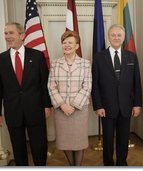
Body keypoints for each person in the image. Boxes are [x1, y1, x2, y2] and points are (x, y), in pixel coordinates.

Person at [0, 22, 52, 166]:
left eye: (11, 33)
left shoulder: (37, 56)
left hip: (36, 110)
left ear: (22, 35)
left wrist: (47, 105)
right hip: (13, 111)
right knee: (18, 150)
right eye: (6, 33)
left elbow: (44, 84)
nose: (7, 36)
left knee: (39, 147)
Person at [91, 24, 142, 166]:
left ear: (124, 37)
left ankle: (121, 163)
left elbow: (136, 82)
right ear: (108, 37)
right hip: (106, 107)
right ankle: (108, 164)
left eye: (119, 35)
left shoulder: (131, 56)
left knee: (123, 138)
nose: (116, 38)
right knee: (107, 140)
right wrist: (98, 105)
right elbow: (95, 84)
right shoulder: (99, 57)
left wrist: (137, 104)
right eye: (113, 35)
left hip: (126, 106)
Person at [47, 31, 92, 166]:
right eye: (64, 43)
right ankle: (72, 166)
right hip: (61, 110)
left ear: (77, 46)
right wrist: (62, 105)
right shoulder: (55, 64)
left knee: (79, 143)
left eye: (70, 43)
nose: (66, 45)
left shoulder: (85, 63)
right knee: (65, 142)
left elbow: (87, 86)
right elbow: (51, 86)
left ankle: (77, 167)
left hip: (79, 110)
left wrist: (73, 105)